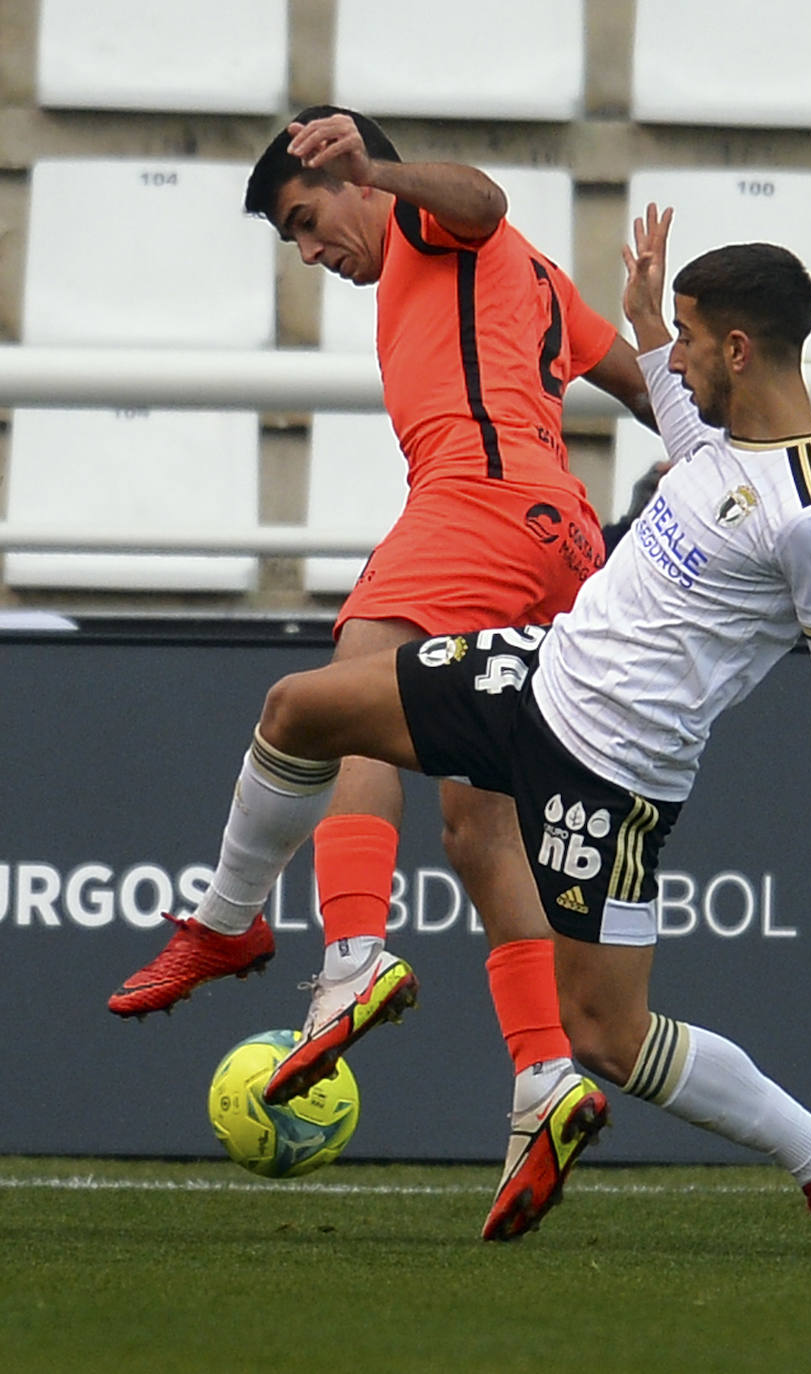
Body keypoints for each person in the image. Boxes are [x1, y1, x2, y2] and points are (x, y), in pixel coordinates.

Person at [124, 203, 811, 1257]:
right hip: (528, 680)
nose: (669, 360)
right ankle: (230, 924)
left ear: (737, 347)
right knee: (299, 710)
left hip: (612, 777)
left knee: (610, 1036)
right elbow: (697, 458)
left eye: (686, 338)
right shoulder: (728, 450)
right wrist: (640, 324)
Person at [108, 107, 655, 1242]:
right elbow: (646, 393)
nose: (311, 251)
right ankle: (543, 1076)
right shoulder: (538, 283)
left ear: (357, 183)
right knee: (477, 830)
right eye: (292, 240)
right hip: (563, 544)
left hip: (478, 507)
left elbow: (480, 201)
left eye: (308, 222)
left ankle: (340, 951)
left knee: (342, 701)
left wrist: (382, 173)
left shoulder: (427, 222)